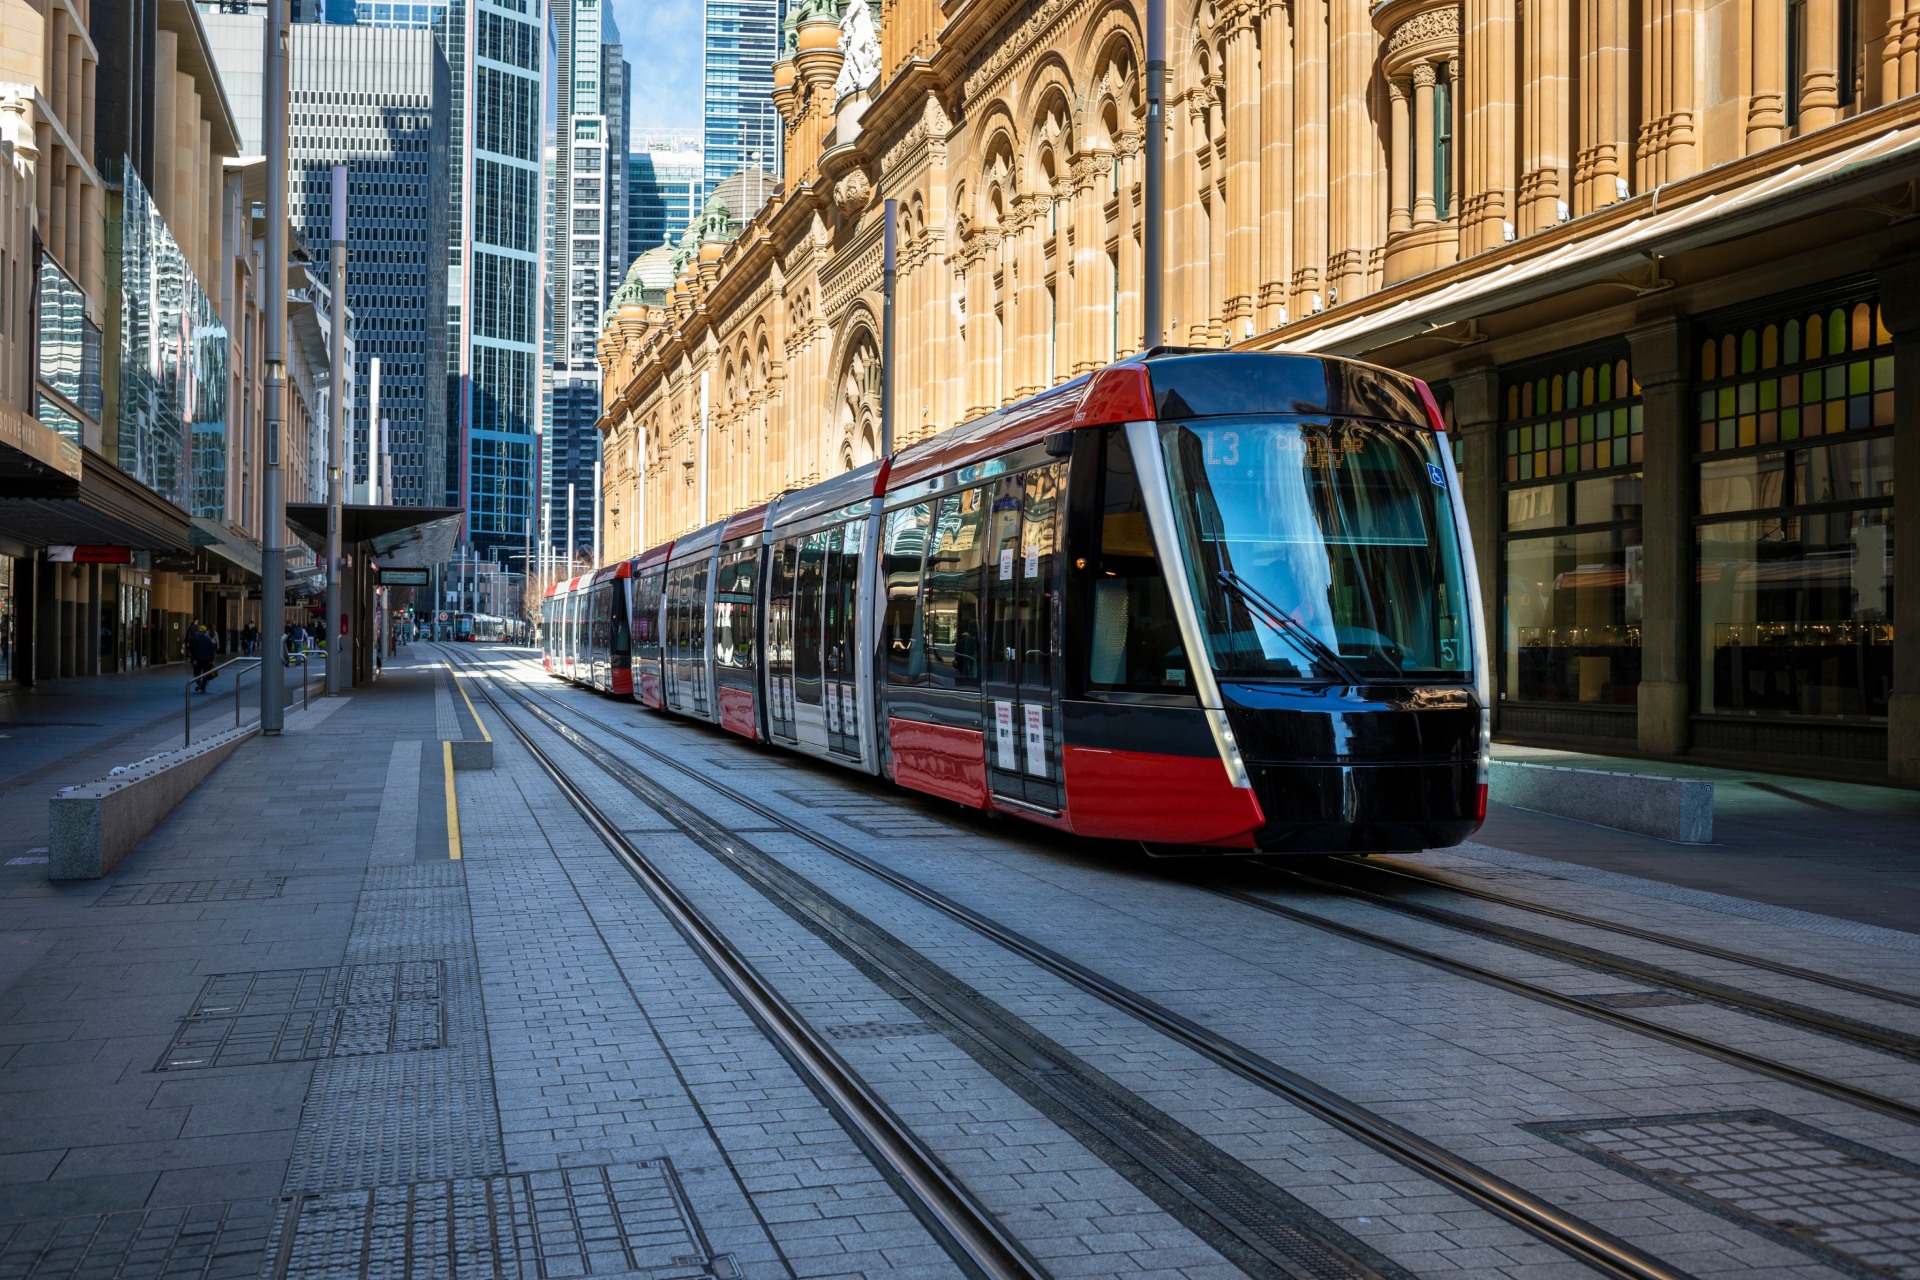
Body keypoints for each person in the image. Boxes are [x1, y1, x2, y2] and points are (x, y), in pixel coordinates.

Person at [189, 625, 218, 692]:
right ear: (205, 632)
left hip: (199, 659)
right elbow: (211, 651)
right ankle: (203, 688)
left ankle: (199, 683)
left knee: (196, 673)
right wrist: (211, 660)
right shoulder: (208, 639)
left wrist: (193, 659)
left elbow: (194, 650)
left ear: (199, 631)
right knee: (205, 674)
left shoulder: (195, 638)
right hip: (207, 659)